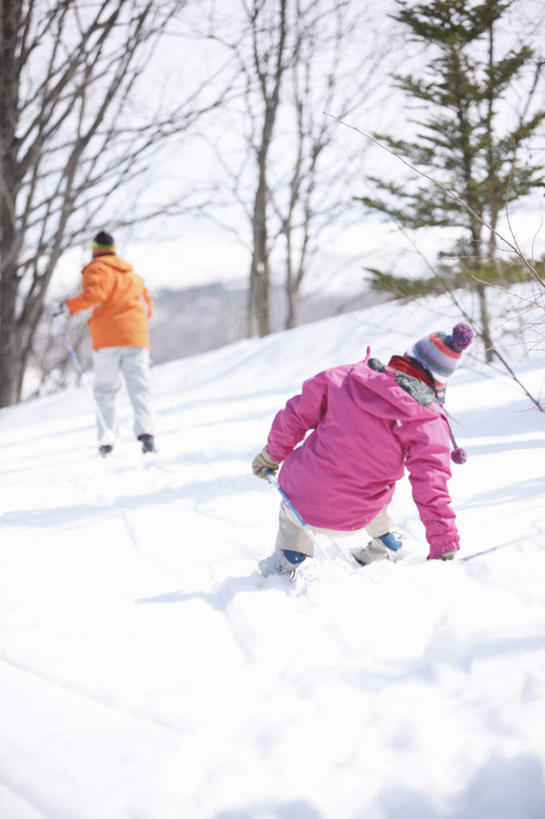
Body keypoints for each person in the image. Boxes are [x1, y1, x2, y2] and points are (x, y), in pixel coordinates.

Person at [252, 322, 474, 577]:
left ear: (406, 358)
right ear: (438, 383)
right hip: (360, 513)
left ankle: (289, 552)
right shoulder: (426, 420)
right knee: (382, 486)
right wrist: (443, 541)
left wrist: (271, 455)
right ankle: (384, 539)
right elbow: (431, 484)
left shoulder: (344, 377)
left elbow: (295, 416)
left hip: (304, 502)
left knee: (294, 499)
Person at [58, 230, 156, 457]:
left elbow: (95, 295)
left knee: (105, 389)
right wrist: (136, 325)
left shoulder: (97, 269)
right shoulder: (132, 275)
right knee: (139, 387)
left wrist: (67, 307)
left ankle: (107, 440)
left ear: (95, 251)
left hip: (108, 339)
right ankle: (147, 435)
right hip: (136, 338)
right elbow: (148, 306)